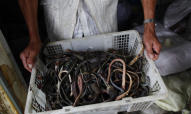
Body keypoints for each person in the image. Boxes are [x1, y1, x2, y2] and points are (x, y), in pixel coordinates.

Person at [18, 0, 161, 72]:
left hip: (104, 21)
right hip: (61, 26)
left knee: (110, 72)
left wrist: (149, 26)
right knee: (65, 78)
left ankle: (111, 112)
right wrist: (34, 38)